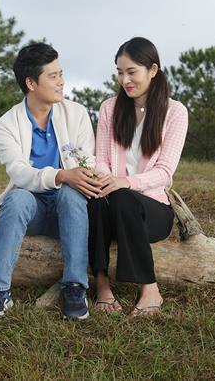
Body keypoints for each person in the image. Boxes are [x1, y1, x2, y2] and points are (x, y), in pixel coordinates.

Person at [0, 42, 102, 320]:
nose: (61, 82)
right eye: (53, 76)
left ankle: (75, 287)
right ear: (31, 83)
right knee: (17, 198)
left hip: (69, 209)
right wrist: (60, 175)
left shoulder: (77, 114)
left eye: (61, 74)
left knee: (71, 193)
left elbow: (87, 162)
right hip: (31, 210)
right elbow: (19, 173)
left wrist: (75, 177)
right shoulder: (6, 124)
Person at [89, 37, 188, 317]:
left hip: (152, 211)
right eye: (120, 72)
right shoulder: (109, 108)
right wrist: (106, 182)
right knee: (96, 199)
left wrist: (125, 183)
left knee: (122, 197)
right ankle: (102, 285)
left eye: (132, 72)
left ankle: (150, 288)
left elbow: (165, 172)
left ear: (153, 70)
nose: (125, 80)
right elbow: (101, 159)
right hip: (112, 204)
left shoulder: (175, 112)